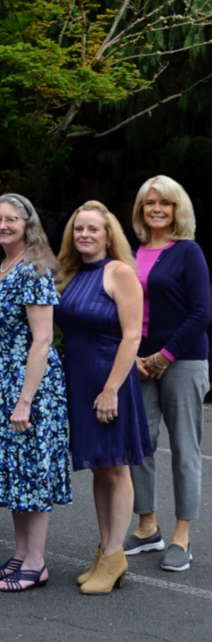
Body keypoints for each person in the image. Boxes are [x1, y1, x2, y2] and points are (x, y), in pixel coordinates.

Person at [0, 193, 71, 591]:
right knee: (15, 471)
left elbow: (43, 340)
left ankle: (36, 562)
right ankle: (20, 555)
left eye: (11, 219)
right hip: (1, 382)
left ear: (27, 224)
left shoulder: (34, 270)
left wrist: (25, 400)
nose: (2, 225)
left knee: (31, 471)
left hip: (30, 385)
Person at [55, 201, 150, 593]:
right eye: (79, 228)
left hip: (110, 382)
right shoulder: (72, 273)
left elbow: (132, 336)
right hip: (79, 380)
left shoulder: (120, 272)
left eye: (93, 228)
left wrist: (111, 389)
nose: (84, 235)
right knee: (99, 467)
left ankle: (114, 557)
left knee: (116, 467)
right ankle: (104, 551)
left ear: (109, 235)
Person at [124, 176, 211, 572]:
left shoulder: (188, 252)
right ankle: (147, 527)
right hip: (140, 362)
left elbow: (202, 312)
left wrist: (165, 355)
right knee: (139, 444)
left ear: (178, 209)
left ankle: (181, 536)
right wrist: (135, 357)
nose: (156, 209)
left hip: (183, 360)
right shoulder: (132, 254)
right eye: (149, 203)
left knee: (184, 448)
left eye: (165, 203)